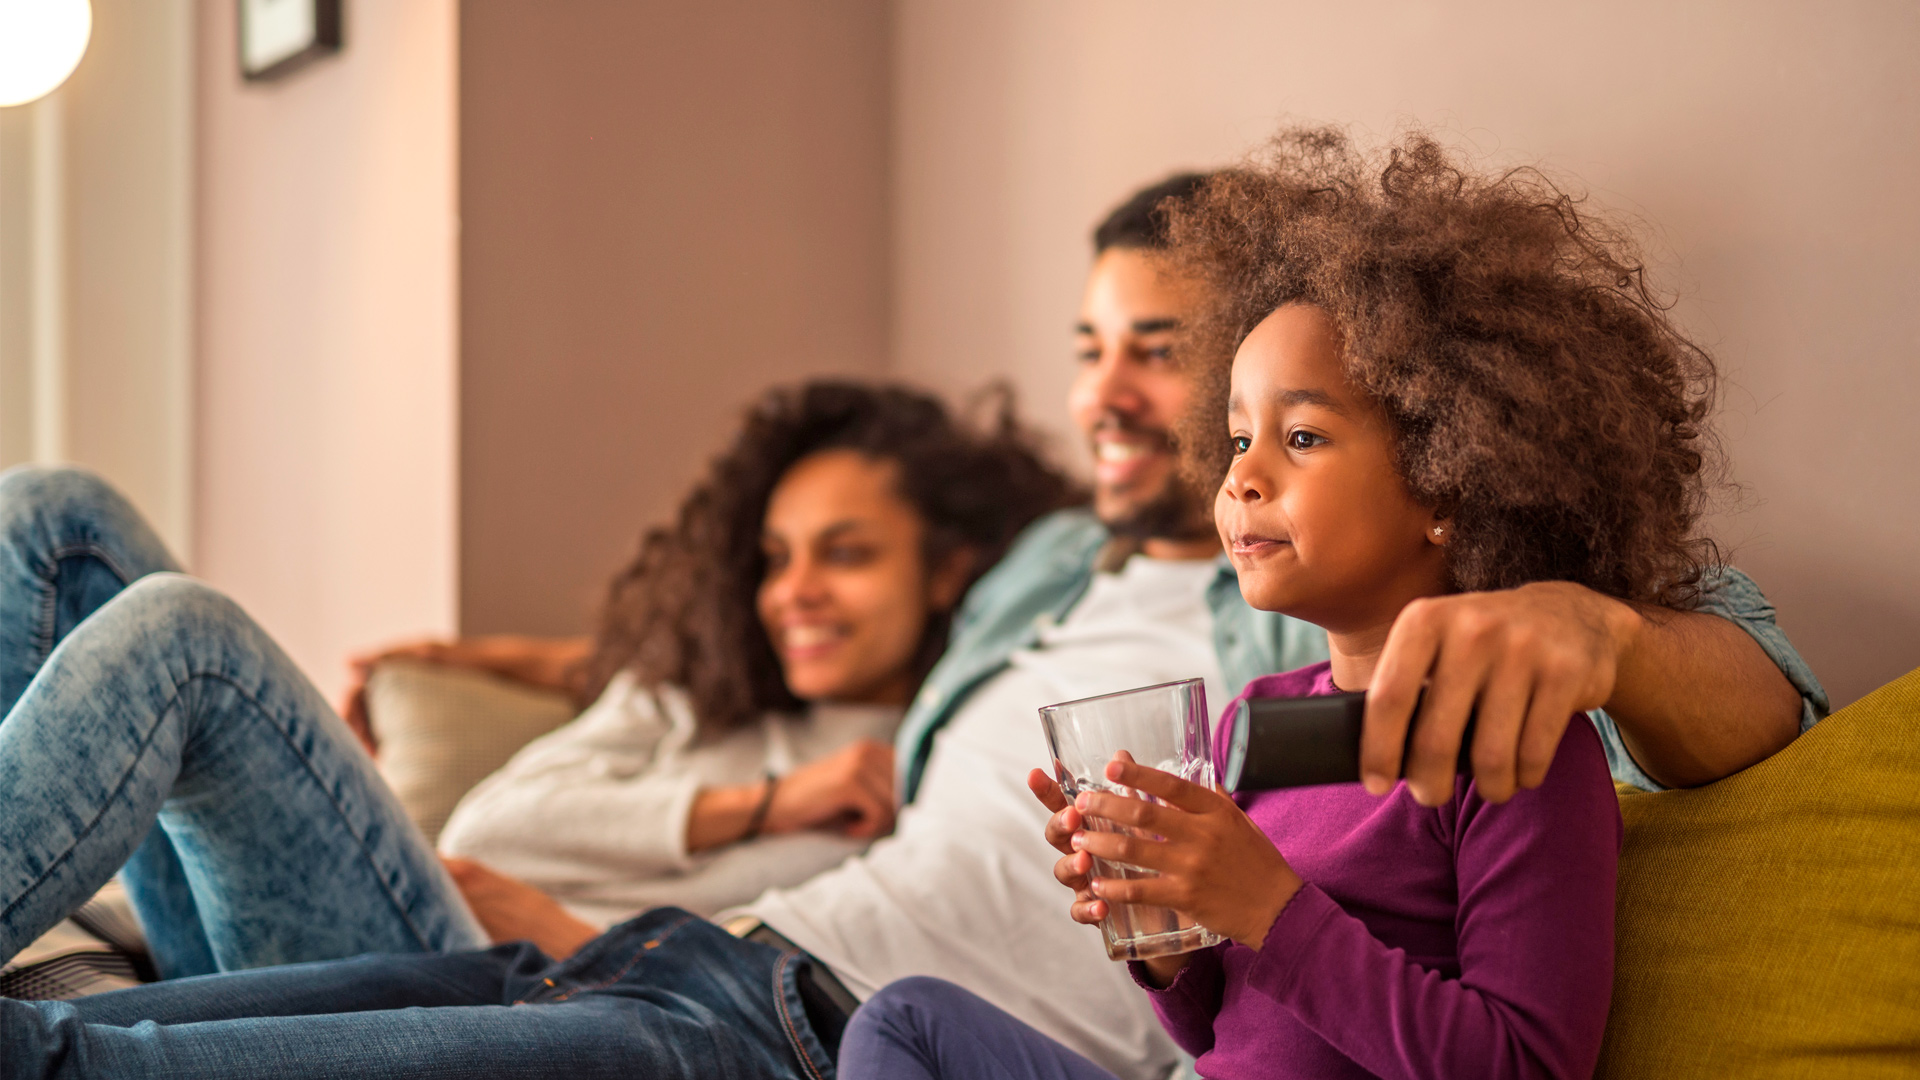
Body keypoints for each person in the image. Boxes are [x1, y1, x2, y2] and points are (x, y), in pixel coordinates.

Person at [0, 150, 1823, 1079]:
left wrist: (1591, 629)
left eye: (1163, 350)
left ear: (1445, 445)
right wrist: (504, 662)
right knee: (60, 527)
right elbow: (757, 641)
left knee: (159, 707)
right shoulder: (1046, 570)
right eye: (1103, 354)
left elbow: (1735, 671)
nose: (1122, 401)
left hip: (778, 1027)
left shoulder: (1408, 662)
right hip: (675, 957)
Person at [839, 126, 1708, 1079]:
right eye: (1235, 437)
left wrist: (1270, 907)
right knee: (904, 1019)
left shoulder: (1514, 753)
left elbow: (1524, 1066)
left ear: (1450, 480)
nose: (1240, 477)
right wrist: (1164, 931)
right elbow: (1222, 1034)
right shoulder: (1258, 719)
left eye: (1301, 437)